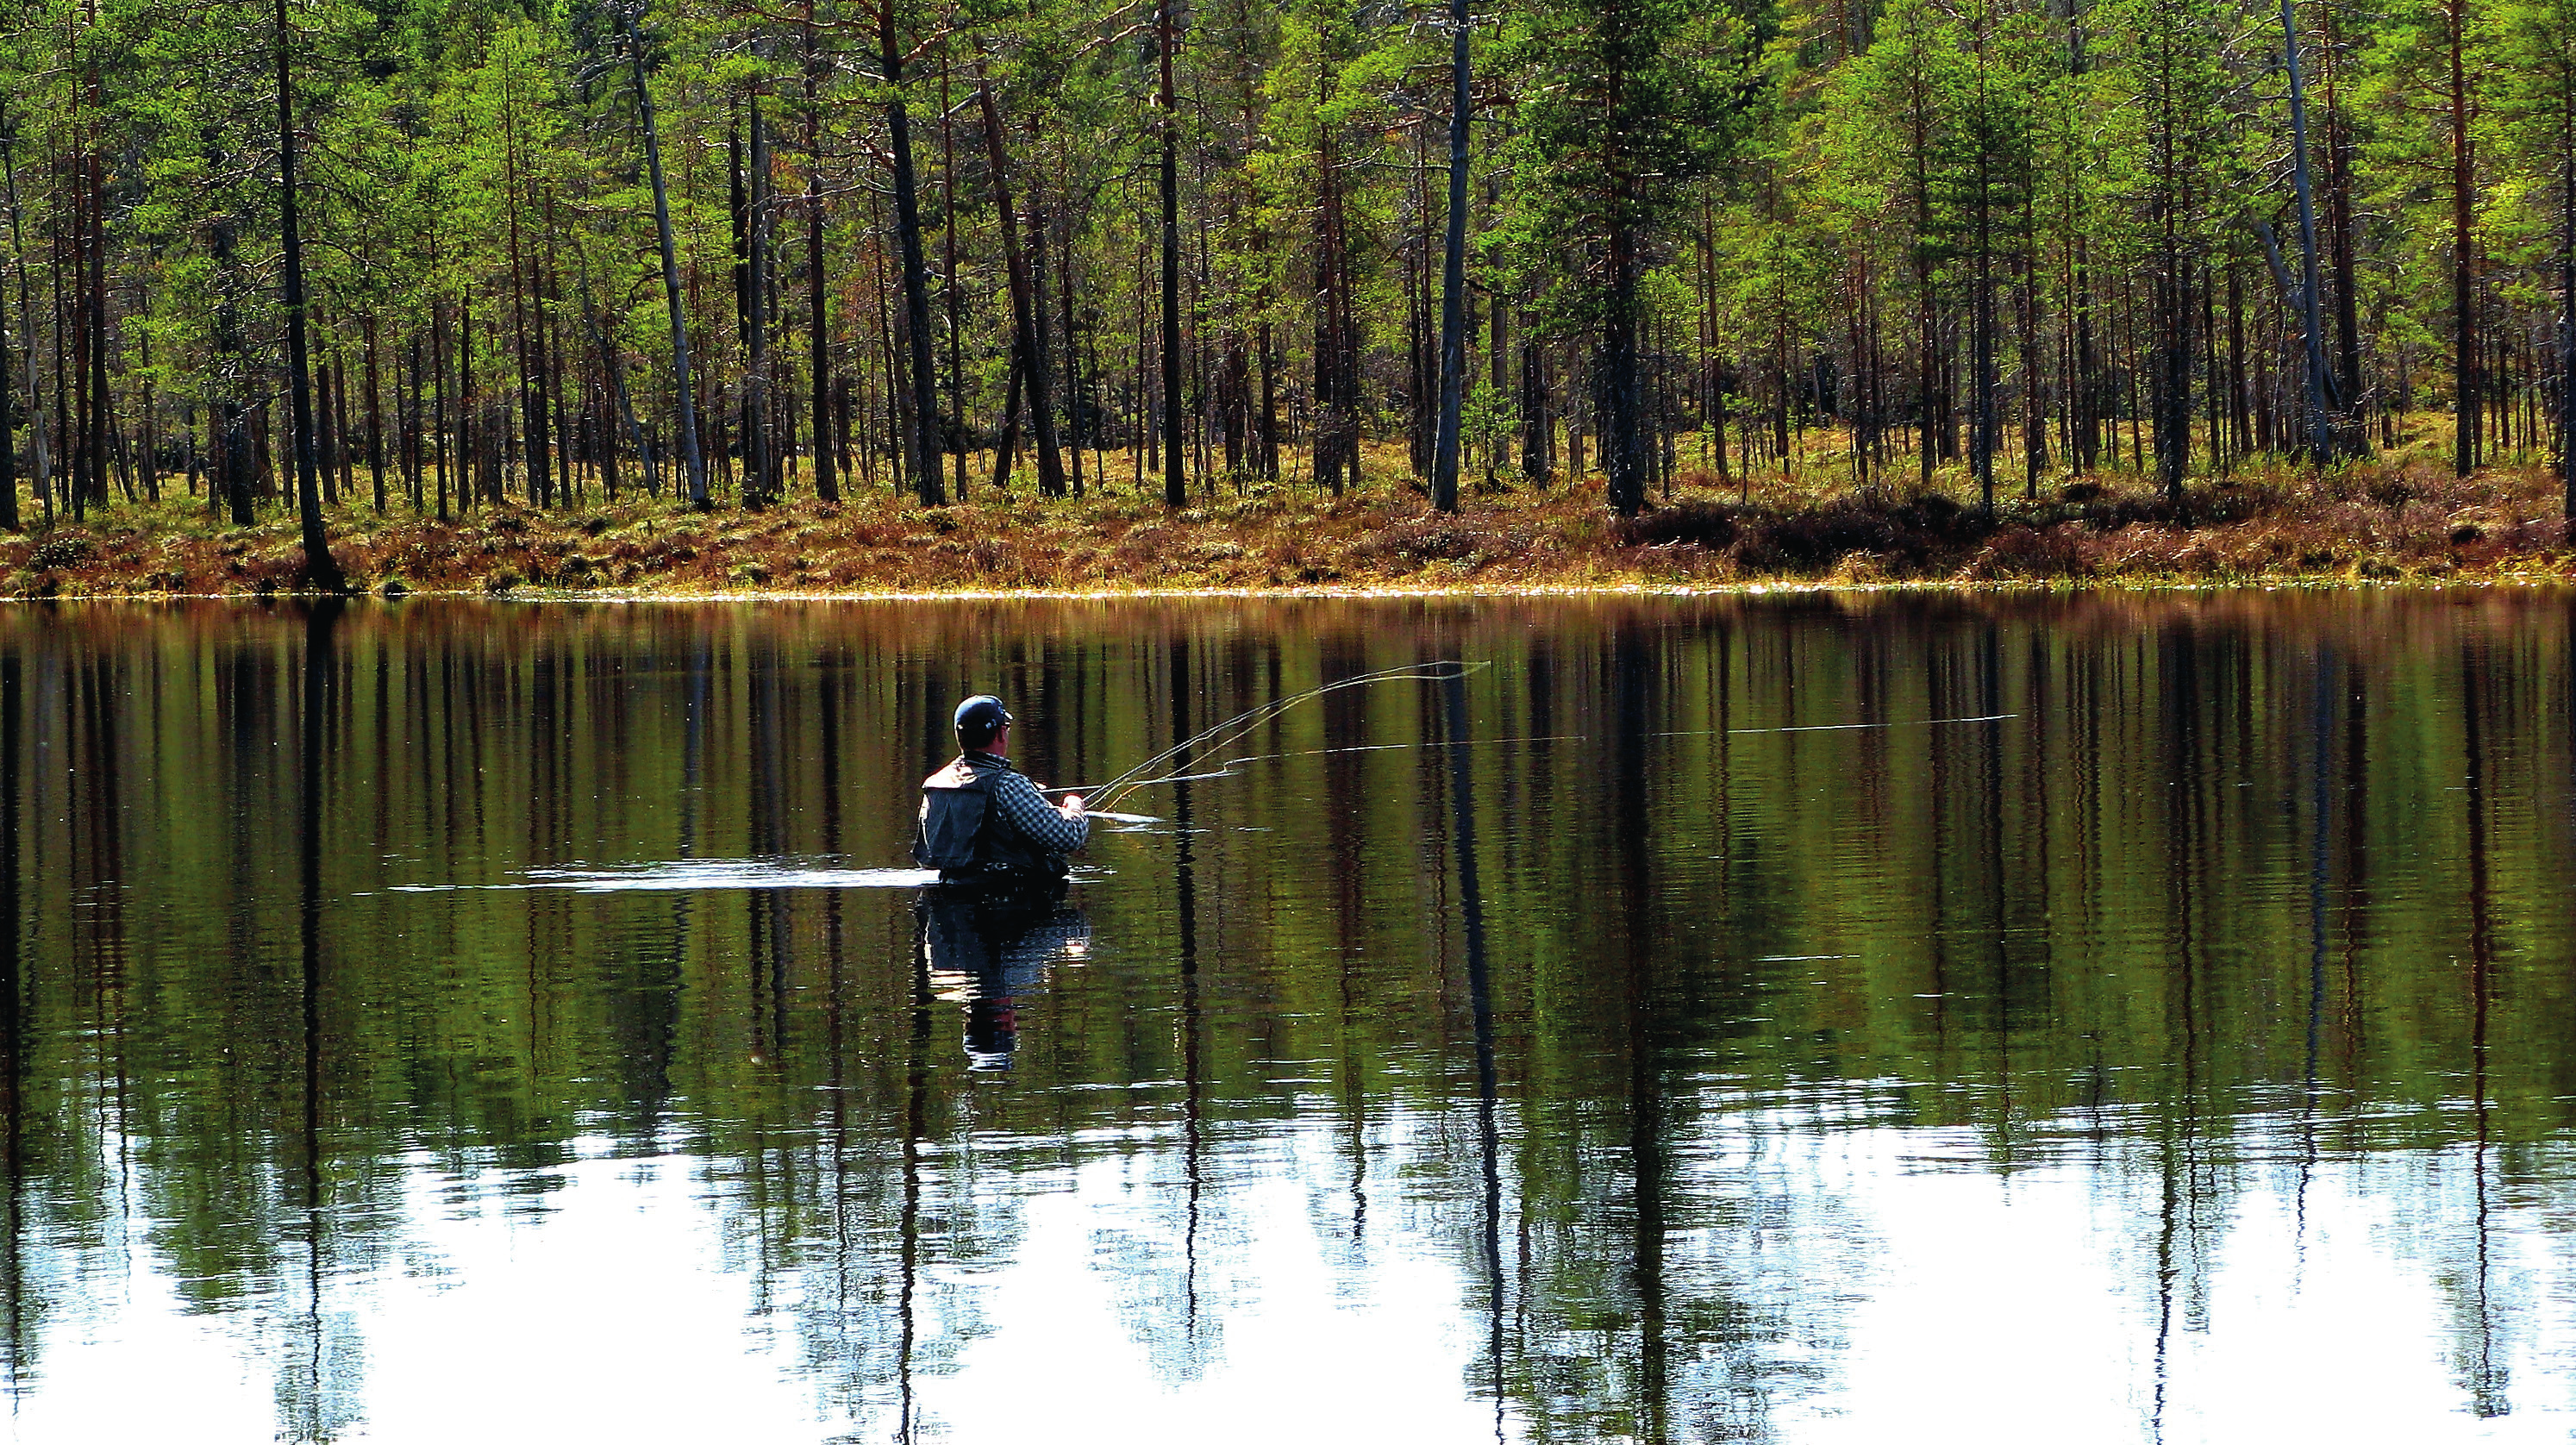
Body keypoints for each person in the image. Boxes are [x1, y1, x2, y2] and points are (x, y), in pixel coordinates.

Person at [913, 694, 1089, 891]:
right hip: (1012, 902)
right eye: (1006, 727)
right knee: (1074, 921)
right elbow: (1068, 836)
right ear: (1000, 733)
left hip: (947, 903)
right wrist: (1074, 806)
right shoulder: (1007, 784)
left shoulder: (934, 785)